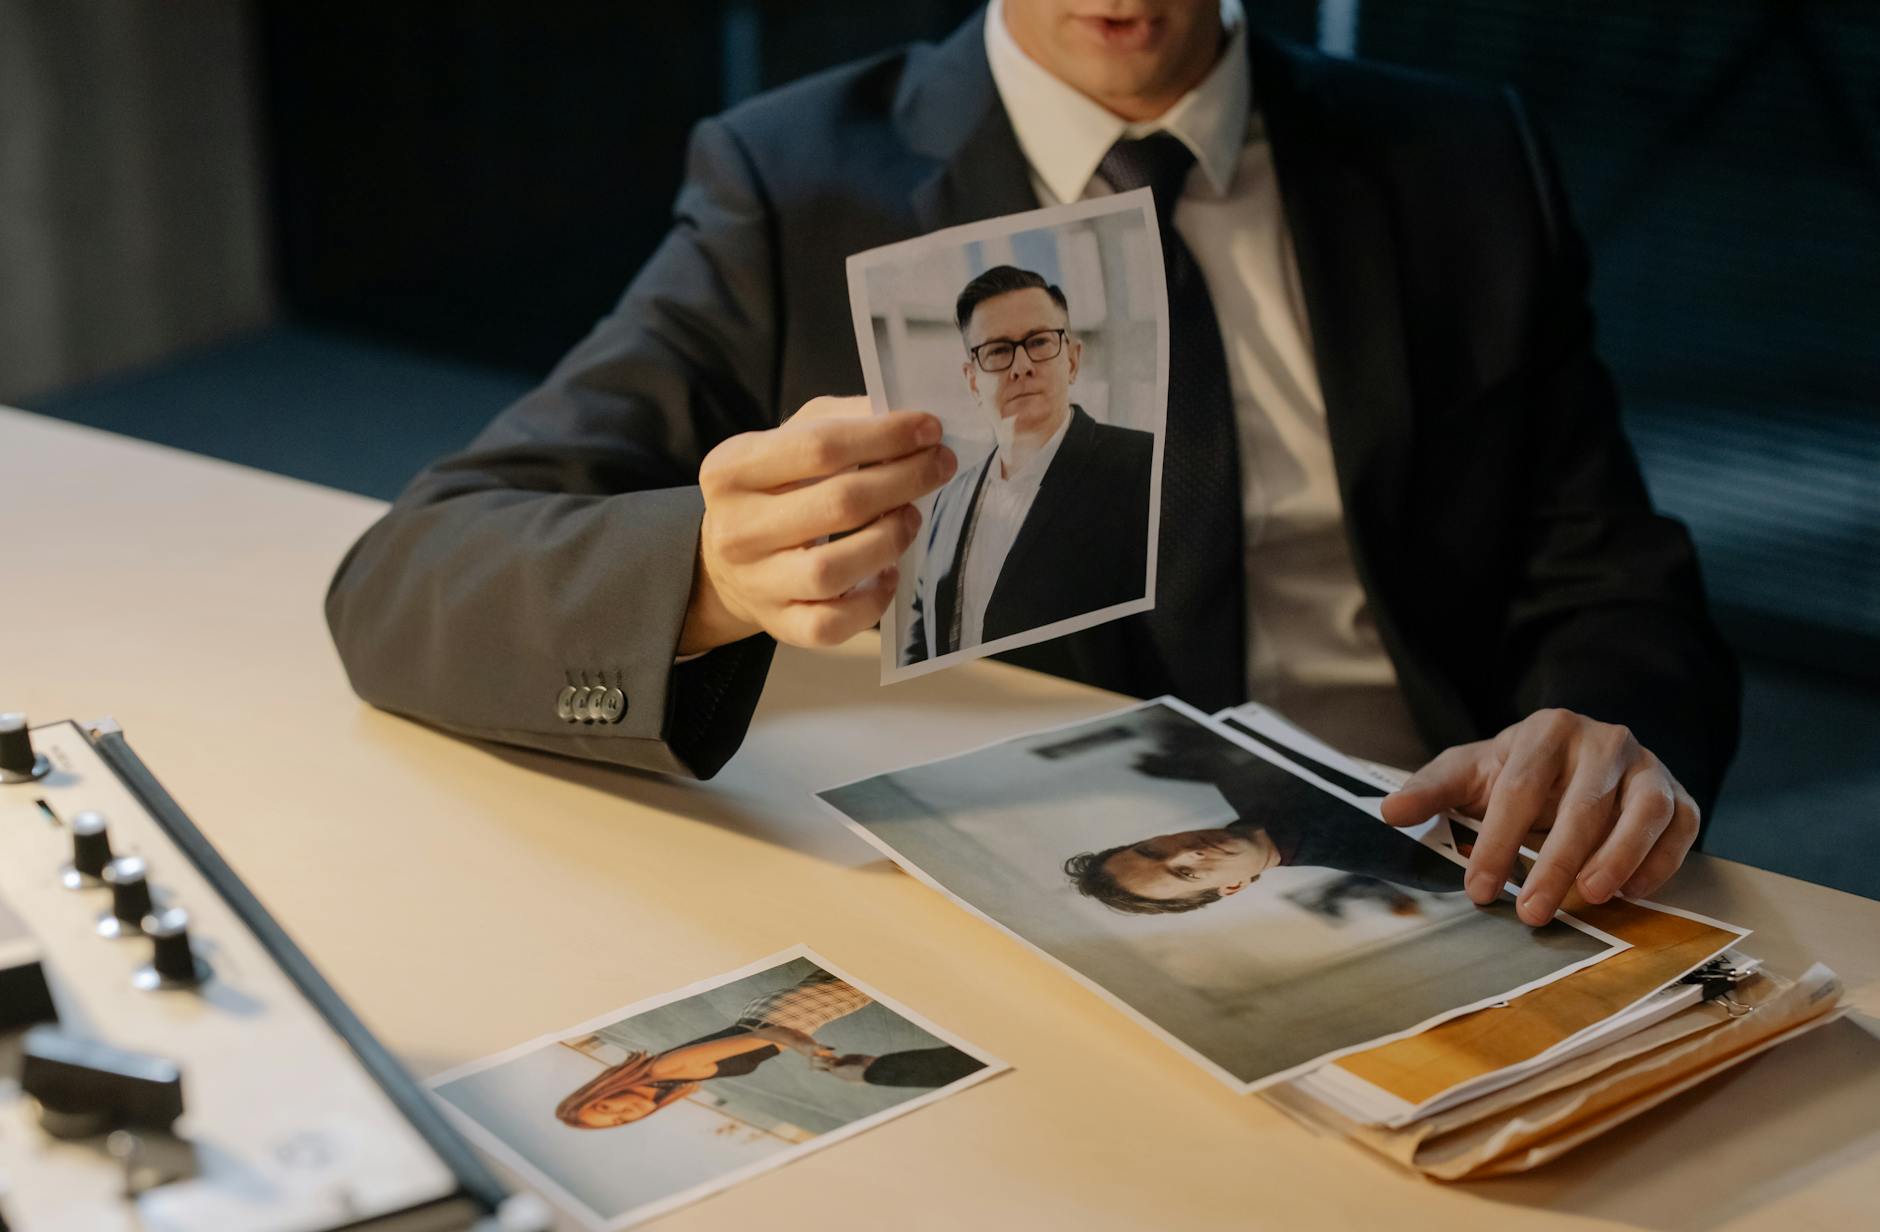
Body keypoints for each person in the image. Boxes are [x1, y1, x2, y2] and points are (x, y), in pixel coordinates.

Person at [325, 0, 1739, 930]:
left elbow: (1614, 580)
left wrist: (1608, 731)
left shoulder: (1461, 160)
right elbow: (404, 581)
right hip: (1011, 891)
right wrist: (702, 576)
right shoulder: (791, 182)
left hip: (1433, 863)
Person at [904, 264, 1153, 663]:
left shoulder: (1143, 466)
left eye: (1038, 342)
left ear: (1072, 360)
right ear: (972, 381)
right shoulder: (949, 498)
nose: (1021, 366)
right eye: (998, 350)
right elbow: (923, 627)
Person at [555, 969, 982, 1129]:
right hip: (788, 1015)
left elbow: (770, 1036)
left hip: (787, 1016)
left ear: (601, 1091)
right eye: (617, 1122)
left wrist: (813, 1053)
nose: (623, 1112)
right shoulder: (675, 1079)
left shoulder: (672, 1066)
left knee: (867, 974)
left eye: (605, 1108)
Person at [1064, 753, 1469, 915]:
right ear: (1234, 886)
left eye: (1152, 850)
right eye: (1185, 875)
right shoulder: (1418, 868)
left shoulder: (1232, 765)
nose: (1187, 854)